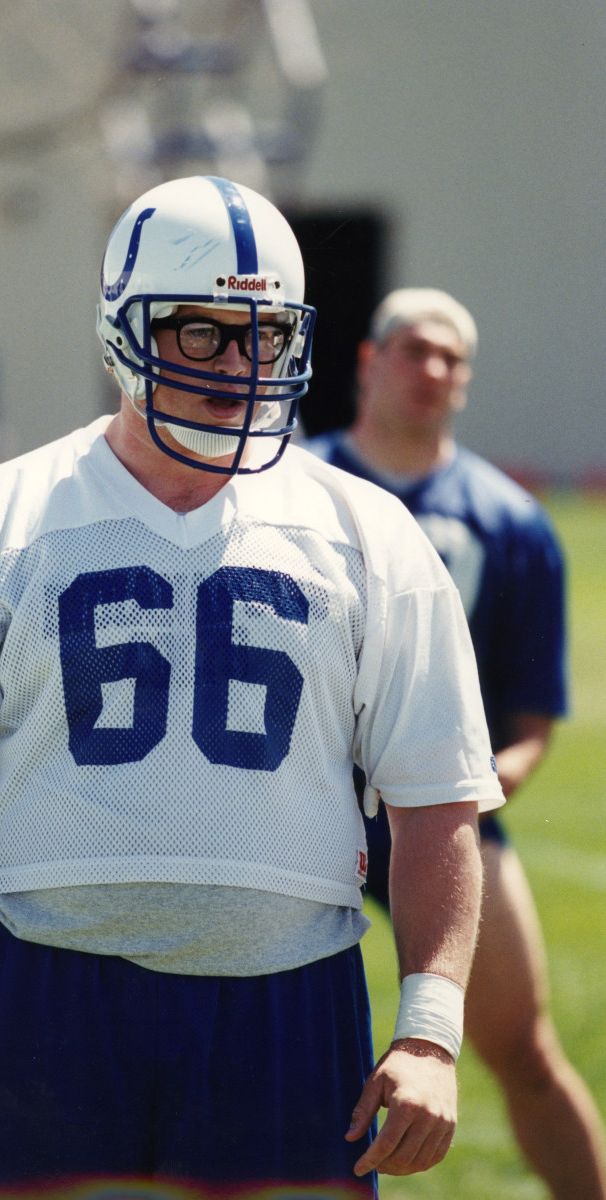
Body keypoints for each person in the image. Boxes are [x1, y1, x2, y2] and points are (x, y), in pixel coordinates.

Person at [0, 179, 504, 1199]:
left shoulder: (369, 535)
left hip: (291, 1001)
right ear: (122, 330)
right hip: (42, 996)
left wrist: (431, 1032)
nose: (238, 366)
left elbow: (437, 797)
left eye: (264, 335)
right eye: (201, 334)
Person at [306, 287, 606, 1200]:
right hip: (294, 812)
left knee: (521, 1044)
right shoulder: (291, 491)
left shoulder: (507, 521)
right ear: (368, 361)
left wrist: (458, 792)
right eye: (412, 350)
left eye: (451, 358)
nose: (431, 371)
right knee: (267, 1041)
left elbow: (527, 724)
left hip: (446, 820)